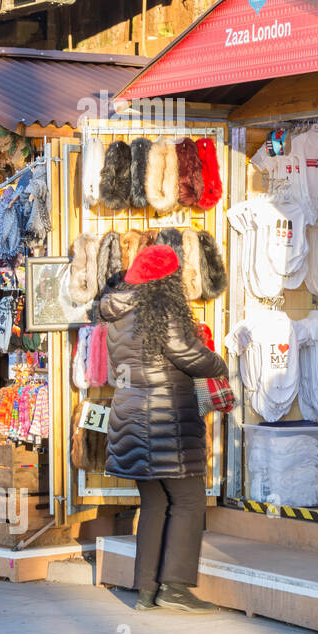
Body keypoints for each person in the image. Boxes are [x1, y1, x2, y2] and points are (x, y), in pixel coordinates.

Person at [98, 244, 228, 613]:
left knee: (154, 502)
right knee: (188, 500)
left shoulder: (118, 310)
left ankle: (145, 590)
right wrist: (217, 361)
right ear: (165, 280)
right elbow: (188, 356)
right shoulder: (162, 308)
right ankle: (174, 588)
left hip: (129, 418)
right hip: (164, 420)